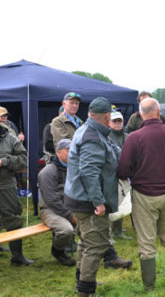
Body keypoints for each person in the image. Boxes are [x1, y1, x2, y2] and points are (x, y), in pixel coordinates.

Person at [51, 92, 130, 271]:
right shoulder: (91, 136)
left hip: (81, 197)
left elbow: (115, 151)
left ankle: (83, 281)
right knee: (94, 246)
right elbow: (89, 172)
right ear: (108, 116)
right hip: (87, 201)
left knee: (87, 243)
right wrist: (99, 202)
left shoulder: (95, 131)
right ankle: (86, 288)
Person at [118, 98, 165, 290]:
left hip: (144, 194)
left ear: (140, 115)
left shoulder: (134, 138)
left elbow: (122, 170)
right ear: (158, 111)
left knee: (146, 242)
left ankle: (149, 288)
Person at [38, 139, 76, 266]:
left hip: (68, 206)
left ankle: (93, 252)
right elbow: (52, 201)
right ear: (59, 153)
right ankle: (58, 251)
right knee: (66, 230)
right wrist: (70, 216)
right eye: (68, 150)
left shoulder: (73, 167)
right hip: (49, 209)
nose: (72, 153)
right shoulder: (47, 172)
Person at [0, 123, 34, 266]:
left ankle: (17, 257)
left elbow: (23, 159)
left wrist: (6, 161)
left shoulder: (10, 138)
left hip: (6, 186)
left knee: (13, 219)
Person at [108, 110, 132, 240]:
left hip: (125, 174)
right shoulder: (106, 136)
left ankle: (118, 231)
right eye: (114, 121)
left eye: (119, 121)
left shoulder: (128, 136)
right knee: (109, 204)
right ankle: (108, 233)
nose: (117, 123)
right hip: (110, 175)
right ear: (109, 123)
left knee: (122, 201)